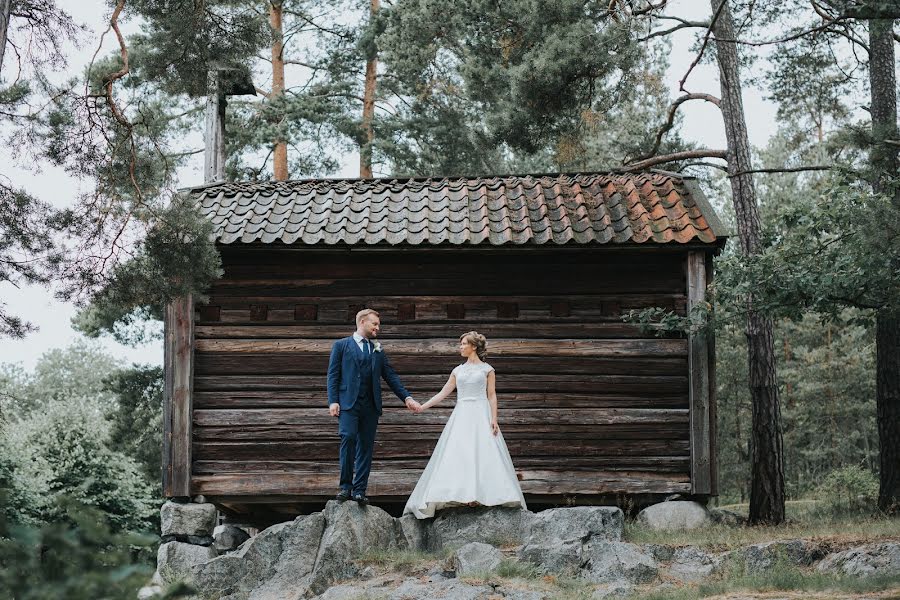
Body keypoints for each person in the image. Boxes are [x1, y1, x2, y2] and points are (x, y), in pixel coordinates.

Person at [403, 331, 526, 519]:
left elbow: (492, 395)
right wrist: (423, 406)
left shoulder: (487, 369)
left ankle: (481, 494)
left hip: (480, 412)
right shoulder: (457, 370)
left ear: (473, 347)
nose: (460, 347)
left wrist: (494, 418)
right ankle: (462, 494)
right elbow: (443, 392)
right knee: (460, 452)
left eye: (463, 344)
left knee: (482, 451)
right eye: (460, 344)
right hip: (461, 414)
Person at [327, 308, 420, 504]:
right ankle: (345, 487)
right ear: (362, 322)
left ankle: (360, 490)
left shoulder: (377, 350)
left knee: (366, 447)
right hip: (348, 404)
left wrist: (407, 398)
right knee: (348, 438)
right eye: (374, 324)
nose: (378, 327)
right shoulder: (341, 345)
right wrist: (333, 400)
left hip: (370, 405)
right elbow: (333, 375)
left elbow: (390, 375)